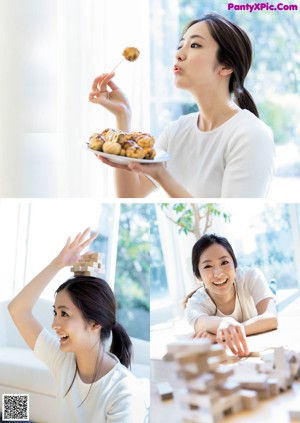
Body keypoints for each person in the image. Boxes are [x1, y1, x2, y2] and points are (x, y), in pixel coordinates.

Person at [89, 12, 275, 198]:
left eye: (195, 45)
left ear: (226, 66)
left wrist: (161, 175)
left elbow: (229, 219)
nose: (178, 54)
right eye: (180, 45)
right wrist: (123, 116)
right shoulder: (176, 131)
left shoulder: (251, 135)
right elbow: (130, 196)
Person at [8, 228, 147, 423]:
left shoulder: (123, 391)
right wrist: (56, 265)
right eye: (55, 312)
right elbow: (17, 310)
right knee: (10, 415)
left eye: (64, 314)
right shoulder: (64, 361)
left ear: (95, 323)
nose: (54, 324)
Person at [184, 234, 278, 356]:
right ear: (198, 276)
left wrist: (221, 336)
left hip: (254, 295)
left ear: (235, 266)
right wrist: (224, 322)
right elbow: (202, 323)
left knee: (272, 294)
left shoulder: (251, 276)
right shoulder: (195, 303)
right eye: (208, 266)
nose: (218, 273)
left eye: (224, 262)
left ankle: (271, 287)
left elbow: (271, 318)